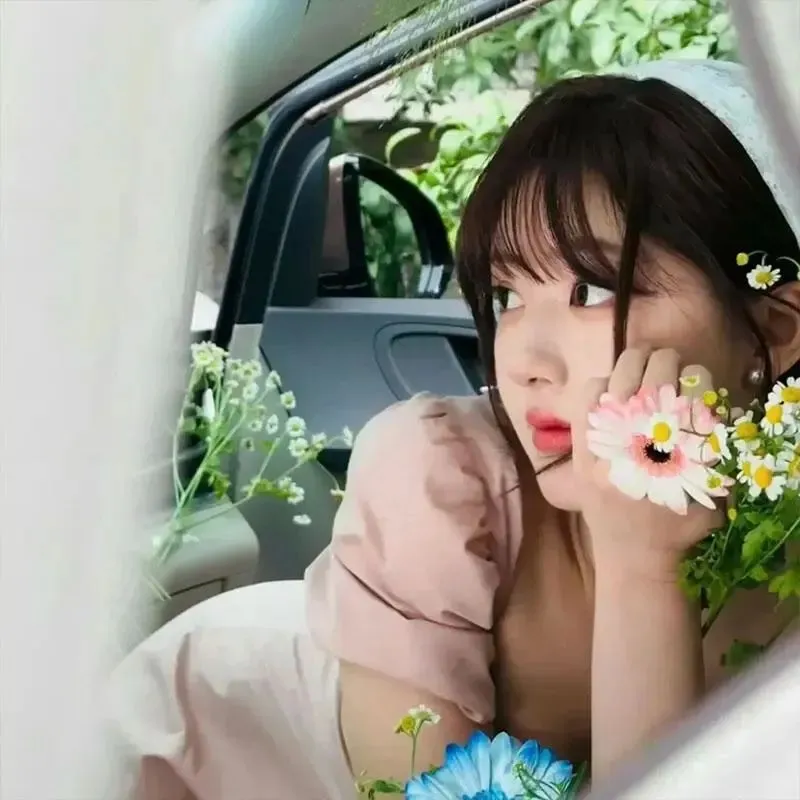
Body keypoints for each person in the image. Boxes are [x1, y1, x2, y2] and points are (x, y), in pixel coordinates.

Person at [106, 59, 800, 799]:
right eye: (506, 297)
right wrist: (638, 569)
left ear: (776, 329)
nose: (526, 361)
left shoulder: (779, 543)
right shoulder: (438, 481)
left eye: (590, 289)